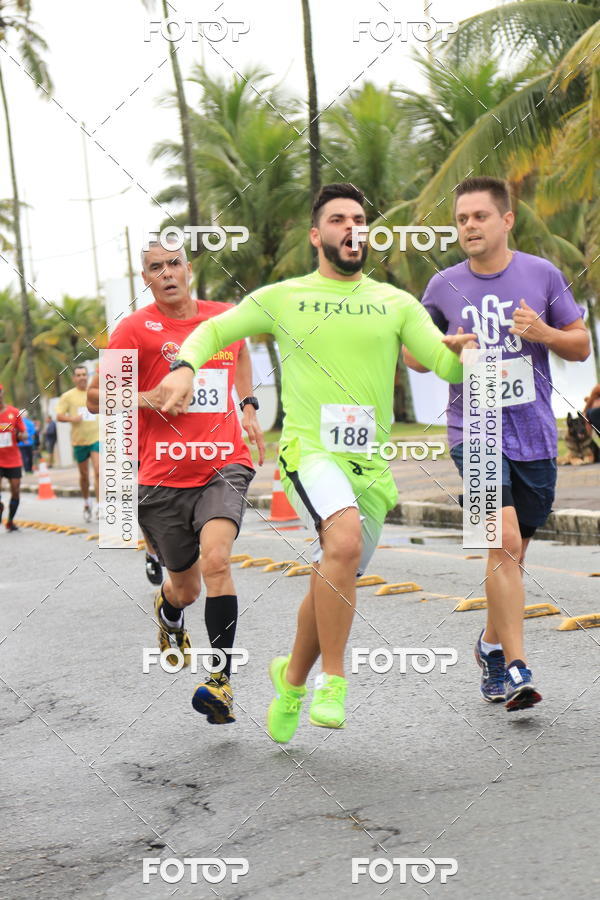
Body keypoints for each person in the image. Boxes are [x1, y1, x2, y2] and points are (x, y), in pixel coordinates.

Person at [155, 182, 474, 743]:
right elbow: (215, 329)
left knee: (335, 572)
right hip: (310, 452)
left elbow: (442, 365)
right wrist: (184, 367)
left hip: (370, 467)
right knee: (342, 543)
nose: (352, 228)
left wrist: (462, 354)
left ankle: (292, 681)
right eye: (338, 219)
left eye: (359, 219)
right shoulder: (286, 297)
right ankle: (334, 679)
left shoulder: (396, 303)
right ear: (316, 234)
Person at [403, 175, 590, 712]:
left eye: (479, 216)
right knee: (502, 541)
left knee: (514, 552)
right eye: (461, 219)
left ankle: (488, 644)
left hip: (534, 434)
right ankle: (516, 666)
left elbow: (580, 345)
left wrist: (544, 334)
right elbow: (413, 355)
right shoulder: (442, 285)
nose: (469, 226)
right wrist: (443, 346)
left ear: (506, 220)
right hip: (474, 430)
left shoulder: (542, 273)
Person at [87, 239, 265, 725]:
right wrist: (153, 397)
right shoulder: (133, 330)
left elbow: (240, 354)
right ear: (145, 278)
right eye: (155, 268)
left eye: (174, 264)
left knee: (218, 561)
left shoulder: (222, 317)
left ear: (189, 269)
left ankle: (220, 682)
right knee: (185, 589)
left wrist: (248, 405)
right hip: (161, 477)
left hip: (223, 464)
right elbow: (96, 398)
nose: (166, 273)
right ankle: (169, 611)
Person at [56, 366, 100, 521]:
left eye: (84, 374)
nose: (82, 377)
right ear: (74, 378)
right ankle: (87, 502)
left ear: (88, 376)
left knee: (98, 471)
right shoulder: (68, 396)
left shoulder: (94, 393)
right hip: (79, 441)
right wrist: (72, 418)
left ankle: (100, 505)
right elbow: (59, 416)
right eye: (78, 375)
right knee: (84, 475)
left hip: (96, 438)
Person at [0, 384, 27, 532]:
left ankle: (10, 521)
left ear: (2, 393)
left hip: (13, 458)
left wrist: (21, 435)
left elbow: (24, 433)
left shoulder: (14, 412)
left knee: (15, 490)